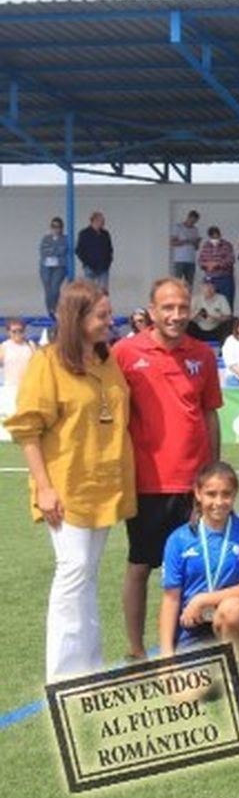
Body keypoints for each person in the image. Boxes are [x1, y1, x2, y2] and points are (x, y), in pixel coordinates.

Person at [7, 281, 135, 680]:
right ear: (76, 318)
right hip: (66, 487)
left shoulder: (107, 359)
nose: (109, 321)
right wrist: (44, 487)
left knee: (88, 575)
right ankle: (63, 675)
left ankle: (90, 666)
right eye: (101, 315)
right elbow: (27, 430)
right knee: (74, 570)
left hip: (104, 485)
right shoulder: (47, 362)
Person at [112, 277, 223, 659]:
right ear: (152, 310)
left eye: (181, 307)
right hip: (146, 483)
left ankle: (191, 647)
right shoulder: (125, 353)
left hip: (193, 483)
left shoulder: (203, 355)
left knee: (196, 568)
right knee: (140, 566)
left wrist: (213, 474)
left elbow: (209, 416)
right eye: (168, 308)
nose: (176, 315)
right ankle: (136, 648)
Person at [157, 462, 239, 696]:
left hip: (232, 620)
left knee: (234, 608)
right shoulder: (179, 539)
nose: (219, 502)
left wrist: (202, 600)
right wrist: (167, 656)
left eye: (226, 494)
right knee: (180, 697)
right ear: (197, 494)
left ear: (235, 495)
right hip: (193, 626)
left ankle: (238, 674)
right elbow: (170, 599)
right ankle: (213, 666)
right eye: (211, 494)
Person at [39, 216, 69, 314]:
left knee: (55, 288)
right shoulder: (46, 238)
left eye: (58, 227)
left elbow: (64, 250)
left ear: (61, 228)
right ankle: (50, 311)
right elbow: (44, 251)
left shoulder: (66, 239)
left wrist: (53, 250)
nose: (55, 229)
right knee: (48, 290)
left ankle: (56, 309)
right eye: (53, 226)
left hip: (59, 267)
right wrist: (56, 250)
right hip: (45, 267)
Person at [188, 276, 233, 342]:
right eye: (206, 286)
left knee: (230, 324)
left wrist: (216, 317)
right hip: (199, 328)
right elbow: (187, 317)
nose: (208, 289)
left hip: (216, 328)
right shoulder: (195, 299)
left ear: (215, 287)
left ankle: (224, 348)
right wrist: (195, 314)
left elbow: (228, 317)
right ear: (201, 287)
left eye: (211, 286)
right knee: (186, 325)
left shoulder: (221, 298)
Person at [75, 211, 113, 289]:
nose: (103, 223)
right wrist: (87, 262)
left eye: (103, 221)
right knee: (89, 291)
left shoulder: (105, 234)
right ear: (94, 221)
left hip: (103, 267)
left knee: (103, 291)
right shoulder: (84, 233)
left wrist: (108, 262)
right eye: (101, 221)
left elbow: (110, 249)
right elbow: (79, 250)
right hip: (89, 267)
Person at [169, 209, 201, 285]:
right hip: (180, 261)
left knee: (189, 284)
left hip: (191, 261)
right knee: (176, 284)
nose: (193, 223)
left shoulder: (195, 229)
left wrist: (196, 243)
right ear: (188, 217)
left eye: (195, 221)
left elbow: (196, 248)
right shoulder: (178, 227)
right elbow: (172, 243)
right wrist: (187, 241)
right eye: (192, 221)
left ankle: (188, 297)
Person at [3, 317, 35, 388]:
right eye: (14, 331)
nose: (17, 333)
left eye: (20, 331)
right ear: (8, 332)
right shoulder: (4, 347)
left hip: (28, 386)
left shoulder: (31, 345)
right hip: (10, 387)